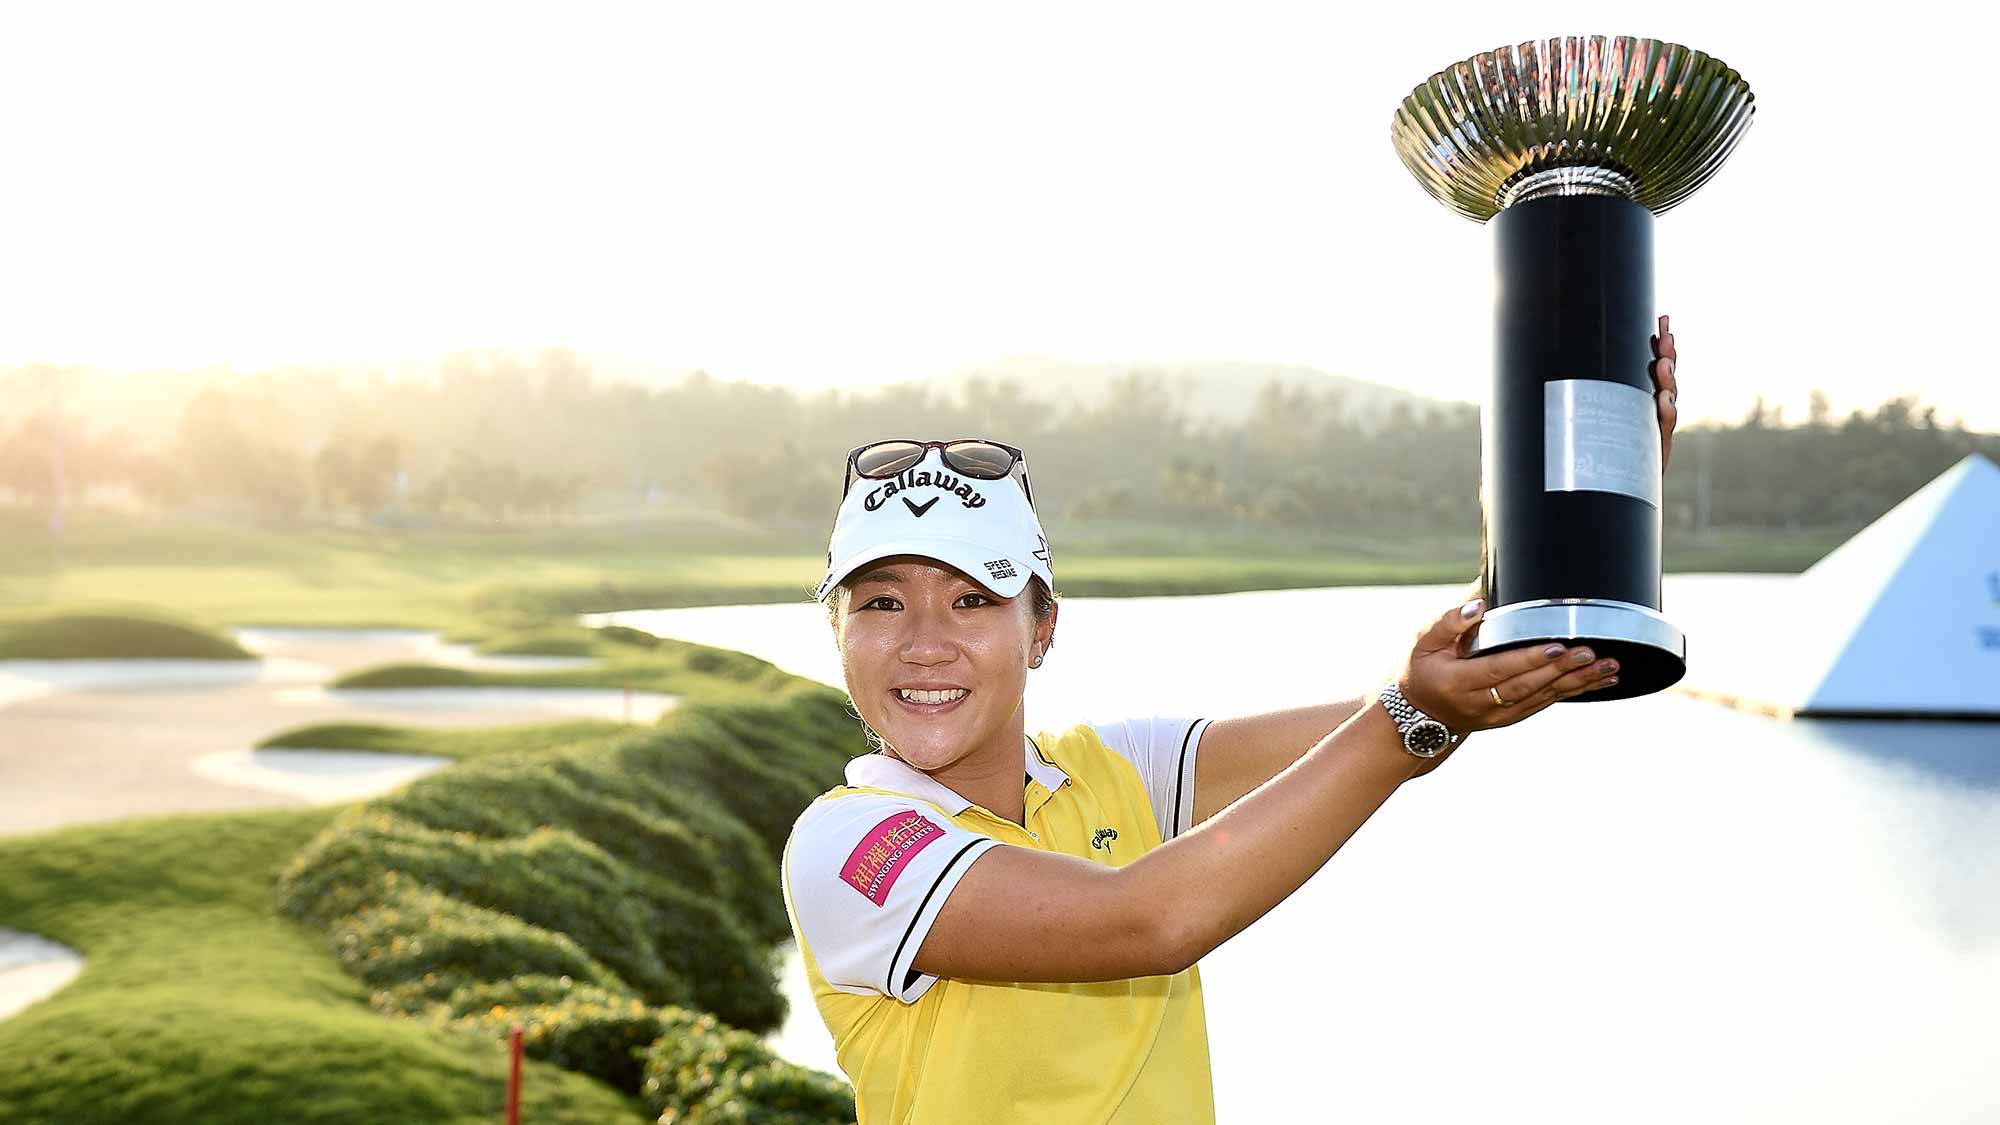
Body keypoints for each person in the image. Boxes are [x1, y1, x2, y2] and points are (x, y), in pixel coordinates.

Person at [781, 321, 1681, 1123]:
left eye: (973, 599)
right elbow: (1146, 921)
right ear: (838, 632)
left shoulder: (1117, 767)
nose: (925, 644)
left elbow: (1410, 708)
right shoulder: (846, 844)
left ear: (1042, 628)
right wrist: (1408, 717)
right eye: (883, 602)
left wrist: (1590, 510)